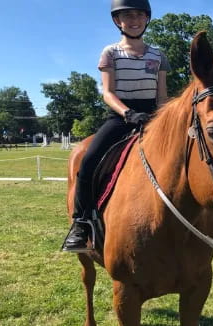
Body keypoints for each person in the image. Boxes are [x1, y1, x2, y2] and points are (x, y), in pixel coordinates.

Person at [63, 0, 170, 252]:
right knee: (88, 162)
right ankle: (81, 224)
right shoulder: (111, 53)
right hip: (121, 116)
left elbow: (162, 95)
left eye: (138, 15)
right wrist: (129, 114)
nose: (133, 20)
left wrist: (162, 117)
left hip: (154, 116)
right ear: (117, 21)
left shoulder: (158, 56)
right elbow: (108, 93)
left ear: (147, 18)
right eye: (127, 16)